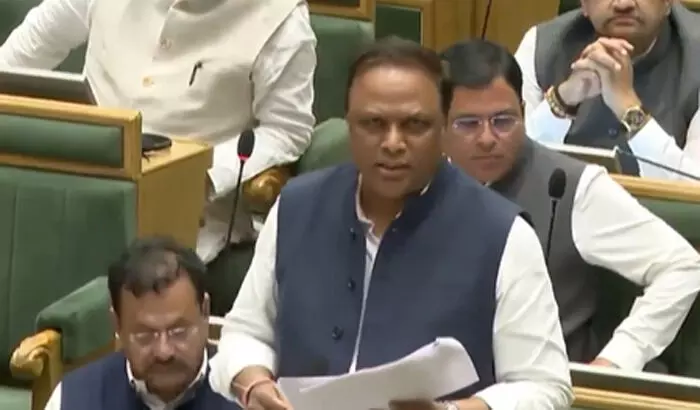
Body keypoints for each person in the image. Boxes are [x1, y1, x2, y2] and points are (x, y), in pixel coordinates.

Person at [209, 37, 573, 410]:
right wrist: (253, 383)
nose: (393, 143)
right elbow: (245, 333)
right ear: (348, 125)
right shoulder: (296, 206)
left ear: (444, 128)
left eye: (415, 125)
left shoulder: (503, 234)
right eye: (374, 124)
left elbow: (545, 387)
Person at [441, 38, 700, 372]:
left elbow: (683, 266)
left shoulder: (571, 185)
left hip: (546, 385)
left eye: (503, 121)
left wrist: (617, 360)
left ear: (523, 112)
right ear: (438, 124)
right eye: (468, 124)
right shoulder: (415, 181)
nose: (488, 138)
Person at [0, 0, 317, 265]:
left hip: (184, 225)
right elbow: (26, 51)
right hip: (68, 191)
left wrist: (202, 176)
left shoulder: (282, 19)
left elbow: (286, 129)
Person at [44, 237, 239, 409]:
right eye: (144, 335)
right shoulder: (72, 399)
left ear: (205, 312)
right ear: (117, 324)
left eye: (178, 331)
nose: (164, 352)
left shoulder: (247, 396)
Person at [514, 0, 700, 180]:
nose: (623, 4)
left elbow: (693, 186)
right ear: (584, 3)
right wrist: (562, 101)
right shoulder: (541, 45)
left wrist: (630, 110)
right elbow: (511, 166)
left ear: (668, 2)